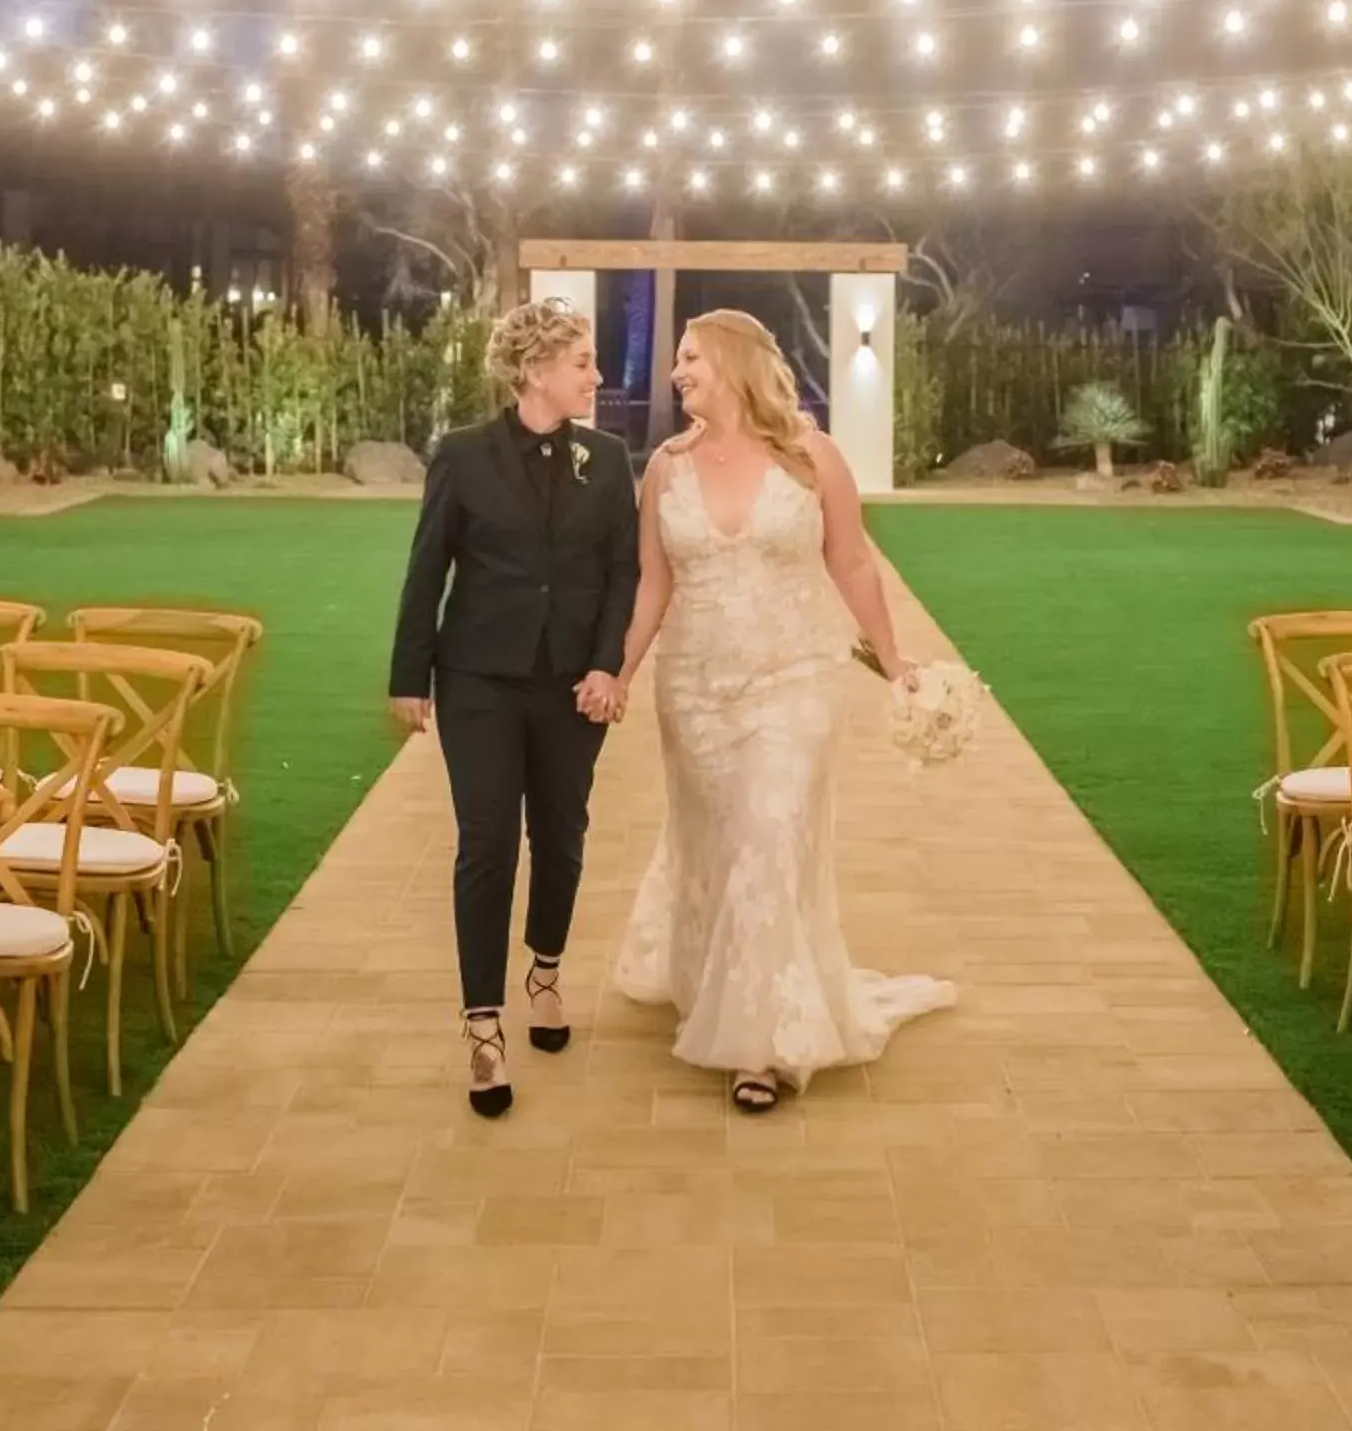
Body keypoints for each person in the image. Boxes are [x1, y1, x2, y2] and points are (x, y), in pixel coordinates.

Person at [609, 310, 956, 1112]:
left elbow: (853, 561)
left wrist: (895, 660)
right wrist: (620, 672)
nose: (676, 372)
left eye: (690, 357)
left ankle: (760, 1046)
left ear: (731, 361)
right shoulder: (665, 467)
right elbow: (651, 584)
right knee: (718, 841)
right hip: (694, 689)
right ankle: (714, 982)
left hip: (797, 678)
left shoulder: (811, 456)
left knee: (769, 832)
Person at [389, 299, 639, 1117]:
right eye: (583, 363)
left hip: (573, 686)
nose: (597, 377)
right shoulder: (461, 457)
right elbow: (428, 571)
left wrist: (608, 666)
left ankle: (546, 974)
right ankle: (483, 1028)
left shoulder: (606, 460)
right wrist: (409, 676)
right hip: (479, 682)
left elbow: (621, 574)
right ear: (535, 371)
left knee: (562, 837)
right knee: (487, 846)